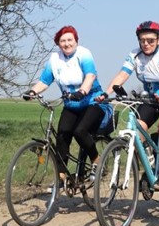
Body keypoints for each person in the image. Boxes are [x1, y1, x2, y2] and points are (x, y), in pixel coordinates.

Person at [23, 25, 112, 189]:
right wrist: (32, 92)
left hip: (92, 101)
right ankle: (61, 177)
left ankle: (97, 161)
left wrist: (83, 91)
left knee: (80, 131)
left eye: (70, 40)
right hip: (71, 104)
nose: (66, 43)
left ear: (76, 41)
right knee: (62, 136)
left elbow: (90, 75)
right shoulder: (55, 59)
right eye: (62, 41)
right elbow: (44, 81)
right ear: (58, 44)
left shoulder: (84, 54)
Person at [96, 21, 159, 192]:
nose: (146, 44)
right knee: (137, 132)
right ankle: (150, 166)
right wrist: (106, 93)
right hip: (149, 98)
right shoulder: (135, 55)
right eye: (142, 41)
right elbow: (122, 74)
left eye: (150, 40)